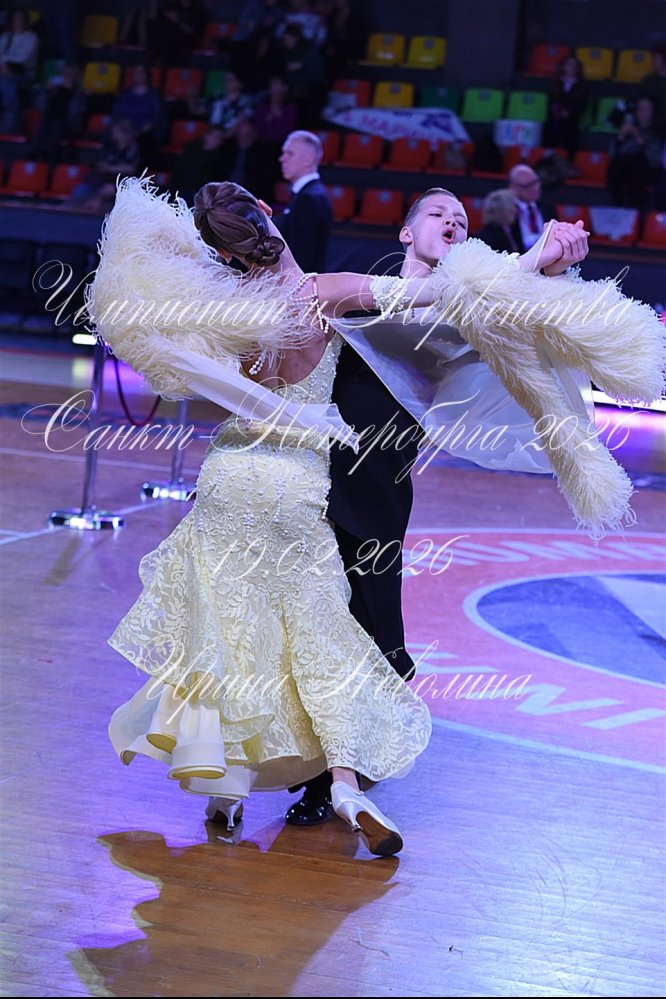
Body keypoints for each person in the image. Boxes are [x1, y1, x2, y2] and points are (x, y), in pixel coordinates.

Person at [89, 178, 660, 856]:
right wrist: (535, 258)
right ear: (269, 213)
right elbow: (439, 295)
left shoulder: (221, 308)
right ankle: (344, 782)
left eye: (459, 216)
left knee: (226, 633)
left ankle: (227, 787)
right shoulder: (324, 292)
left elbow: (181, 358)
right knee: (324, 637)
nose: (452, 221)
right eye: (440, 213)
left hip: (232, 476)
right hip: (298, 481)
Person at [278, 129, 332, 271]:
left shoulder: (308, 199)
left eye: (289, 153)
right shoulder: (307, 195)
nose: (282, 159)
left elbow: (300, 257)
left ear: (308, 160)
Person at [607, 96, 664, 209]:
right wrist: (621, 137)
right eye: (640, 108)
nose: (642, 112)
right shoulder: (628, 129)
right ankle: (617, 203)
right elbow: (613, 155)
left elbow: (655, 159)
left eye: (646, 109)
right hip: (625, 169)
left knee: (639, 163)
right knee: (617, 164)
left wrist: (637, 136)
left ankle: (636, 207)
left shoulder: (658, 131)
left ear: (653, 112)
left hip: (649, 171)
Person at [542, 55, 589, 161]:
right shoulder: (555, 83)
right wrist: (557, 110)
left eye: (574, 65)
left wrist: (569, 112)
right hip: (554, 119)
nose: (571, 68)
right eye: (569, 64)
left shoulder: (582, 86)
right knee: (550, 133)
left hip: (571, 119)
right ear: (563, 67)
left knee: (570, 137)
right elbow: (551, 100)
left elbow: (582, 104)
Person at [0, 8, 38, 133]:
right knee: (4, 78)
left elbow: (22, 58)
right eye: (15, 17)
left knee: (5, 81)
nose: (18, 20)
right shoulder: (5, 37)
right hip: (3, 70)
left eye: (21, 17)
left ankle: (12, 119)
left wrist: (5, 64)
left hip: (23, 73)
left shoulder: (31, 37)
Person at [508, 164, 557, 252]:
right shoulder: (507, 210)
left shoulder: (547, 206)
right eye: (528, 185)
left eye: (536, 182)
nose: (535, 188)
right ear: (513, 187)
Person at [476, 188, 520, 253]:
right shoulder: (489, 238)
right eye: (511, 210)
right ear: (501, 211)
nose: (515, 211)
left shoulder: (512, 229)